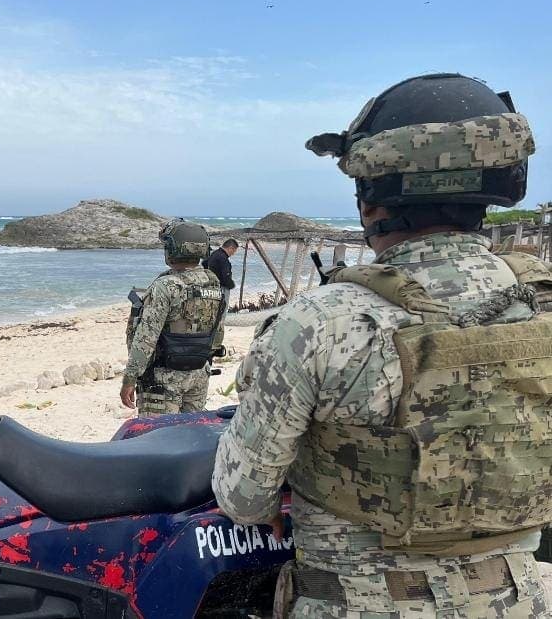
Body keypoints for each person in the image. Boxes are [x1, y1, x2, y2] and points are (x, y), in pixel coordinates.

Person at [211, 73, 552, 617]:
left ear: (371, 198)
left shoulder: (319, 323)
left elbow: (245, 498)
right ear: (504, 180)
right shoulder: (542, 305)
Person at [121, 219, 226, 416]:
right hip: (198, 374)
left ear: (172, 249)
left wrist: (129, 379)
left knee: (157, 440)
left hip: (163, 378)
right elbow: (217, 333)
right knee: (190, 434)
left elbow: (146, 337)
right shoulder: (213, 283)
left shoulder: (166, 286)